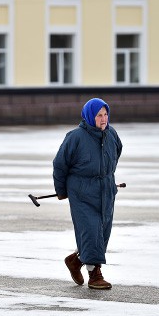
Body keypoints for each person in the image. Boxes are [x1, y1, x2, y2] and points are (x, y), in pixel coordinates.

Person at [53, 98, 123, 290]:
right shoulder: (75, 137)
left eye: (105, 114)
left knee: (102, 233)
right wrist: (62, 190)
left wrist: (106, 175)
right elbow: (60, 164)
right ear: (90, 116)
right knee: (90, 231)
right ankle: (95, 275)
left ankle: (76, 260)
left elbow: (117, 152)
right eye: (99, 115)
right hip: (82, 193)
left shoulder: (111, 134)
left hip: (106, 191)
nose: (103, 119)